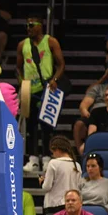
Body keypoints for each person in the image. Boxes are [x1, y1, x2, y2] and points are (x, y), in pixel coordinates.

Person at [16, 14, 66, 167]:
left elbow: (61, 64)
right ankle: (32, 157)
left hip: (47, 88)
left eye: (32, 25)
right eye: (27, 25)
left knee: (46, 125)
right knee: (30, 125)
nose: (28, 28)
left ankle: (46, 156)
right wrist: (22, 82)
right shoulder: (22, 45)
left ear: (40, 25)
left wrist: (54, 79)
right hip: (30, 90)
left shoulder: (50, 42)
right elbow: (18, 67)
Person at [39, 136, 82, 215]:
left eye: (53, 152)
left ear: (57, 149)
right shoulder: (77, 165)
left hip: (54, 205)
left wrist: (42, 181)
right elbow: (79, 187)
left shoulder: (53, 163)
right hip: (71, 205)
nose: (53, 155)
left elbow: (46, 187)